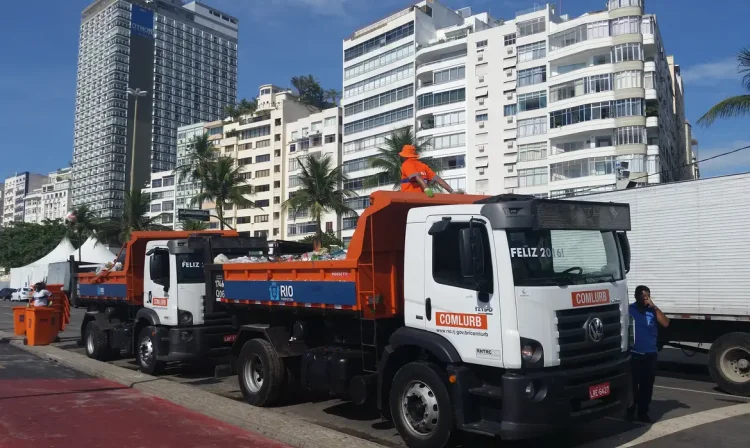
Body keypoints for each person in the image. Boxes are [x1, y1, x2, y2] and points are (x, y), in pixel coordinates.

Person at [627, 285, 669, 423]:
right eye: (642, 295)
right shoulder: (630, 310)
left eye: (647, 296)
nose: (645, 298)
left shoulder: (653, 311)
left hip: (650, 354)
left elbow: (666, 323)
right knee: (633, 385)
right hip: (634, 354)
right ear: (636, 296)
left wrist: (654, 307)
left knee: (647, 386)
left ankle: (643, 412)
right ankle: (630, 410)